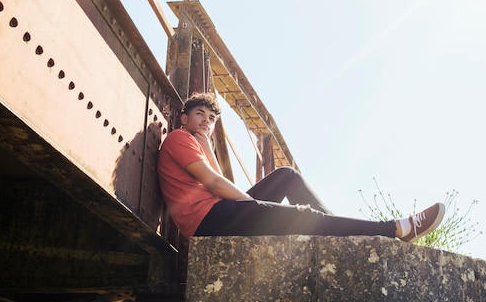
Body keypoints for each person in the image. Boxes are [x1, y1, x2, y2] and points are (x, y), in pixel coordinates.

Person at [157, 92, 445, 242]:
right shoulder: (179, 137)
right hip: (208, 222)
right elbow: (216, 185)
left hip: (218, 213)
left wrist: (207, 144)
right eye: (200, 114)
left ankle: (339, 228)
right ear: (184, 118)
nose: (206, 121)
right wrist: (255, 205)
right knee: (301, 216)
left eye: (211, 118)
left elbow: (216, 183)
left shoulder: (198, 142)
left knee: (286, 176)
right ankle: (394, 229)